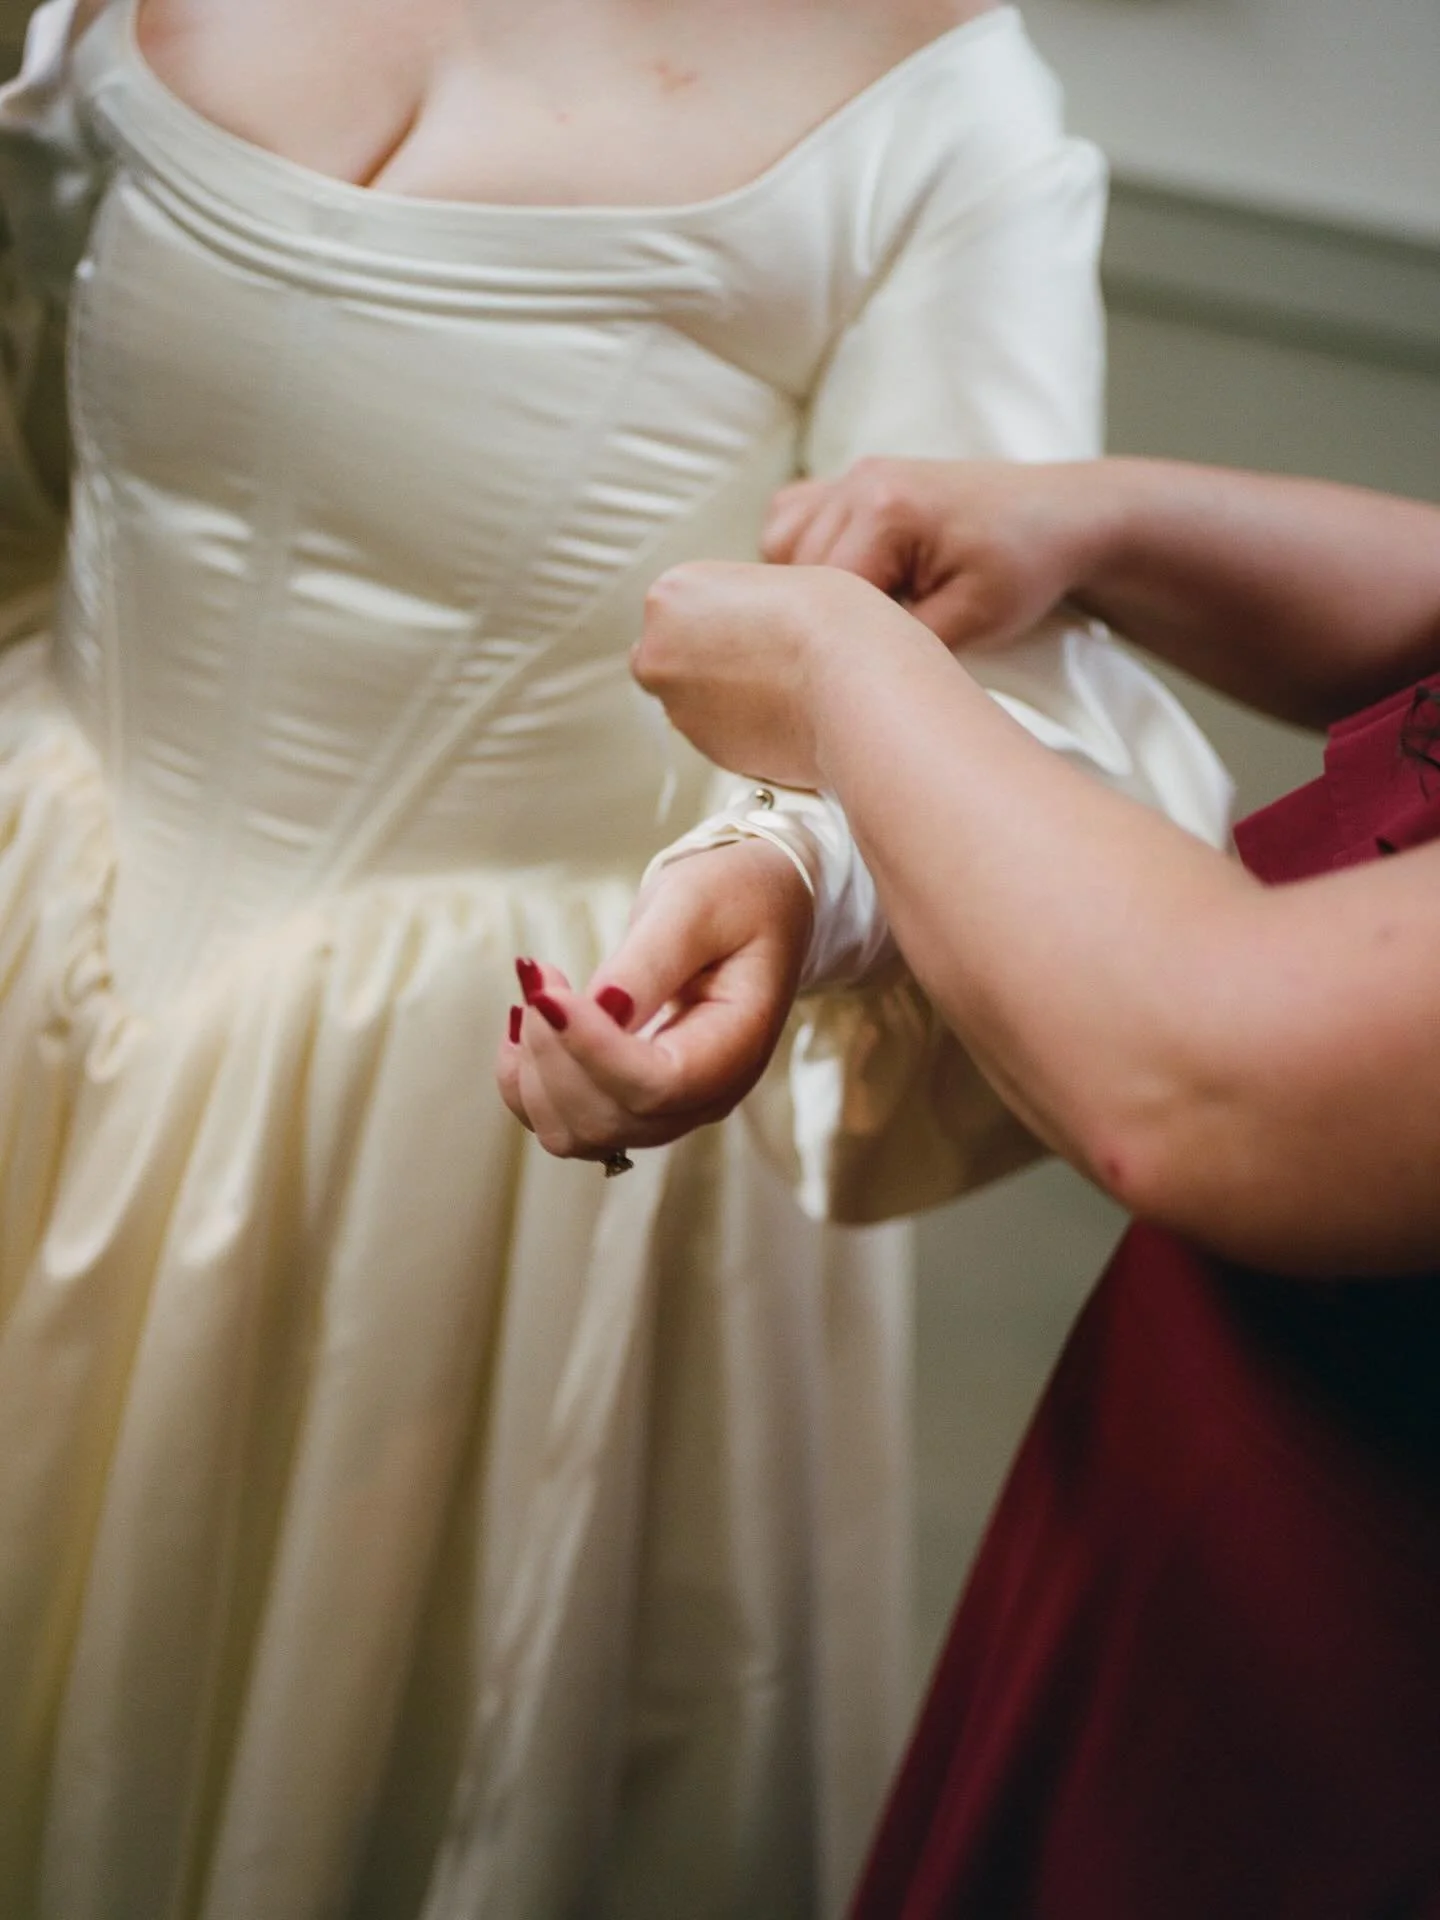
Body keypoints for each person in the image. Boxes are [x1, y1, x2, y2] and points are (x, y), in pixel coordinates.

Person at [0, 0, 1232, 1912]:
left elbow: (980, 700)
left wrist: (785, 868)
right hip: (40, 919)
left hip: (473, 1143)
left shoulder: (933, 108)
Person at [505, 452, 1440, 1915]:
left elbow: (1208, 1070)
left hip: (1344, 1643)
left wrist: (834, 673)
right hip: (1190, 1468)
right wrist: (1104, 517)